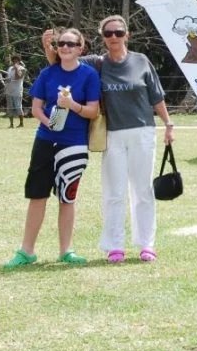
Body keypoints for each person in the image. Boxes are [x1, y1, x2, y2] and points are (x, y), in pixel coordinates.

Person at [43, 15, 174, 264]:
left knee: (143, 190)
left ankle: (146, 243)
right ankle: (115, 246)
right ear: (102, 37)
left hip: (143, 131)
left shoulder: (141, 61)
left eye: (118, 32)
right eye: (108, 33)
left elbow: (156, 96)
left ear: (127, 35)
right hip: (112, 133)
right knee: (114, 192)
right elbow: (65, 63)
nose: (114, 37)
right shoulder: (96, 63)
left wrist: (168, 124)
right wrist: (51, 46)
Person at [5, 29, 101, 268]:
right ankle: (26, 251)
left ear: (81, 48)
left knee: (67, 197)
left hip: (74, 143)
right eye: (61, 44)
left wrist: (72, 105)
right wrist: (49, 122)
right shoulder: (47, 73)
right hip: (45, 140)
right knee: (37, 196)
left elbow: (93, 111)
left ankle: (66, 250)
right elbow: (36, 107)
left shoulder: (89, 75)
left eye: (71, 44)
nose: (65, 47)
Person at [5, 55, 26, 128]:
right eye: (13, 60)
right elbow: (7, 78)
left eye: (16, 60)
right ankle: (11, 124)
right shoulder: (10, 69)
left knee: (18, 107)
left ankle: (21, 123)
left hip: (17, 92)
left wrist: (17, 68)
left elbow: (18, 77)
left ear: (19, 61)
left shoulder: (22, 69)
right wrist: (6, 81)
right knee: (10, 108)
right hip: (9, 91)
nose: (15, 62)